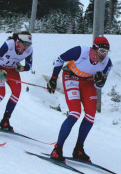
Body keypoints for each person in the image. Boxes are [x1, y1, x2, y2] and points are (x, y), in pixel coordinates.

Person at [47, 36, 112, 164]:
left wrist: (99, 82)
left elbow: (99, 85)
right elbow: (60, 59)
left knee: (90, 116)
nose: (104, 55)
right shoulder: (80, 51)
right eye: (102, 51)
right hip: (71, 76)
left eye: (106, 52)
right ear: (94, 49)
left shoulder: (107, 63)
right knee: (75, 113)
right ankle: (57, 149)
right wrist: (53, 78)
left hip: (87, 81)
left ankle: (78, 149)